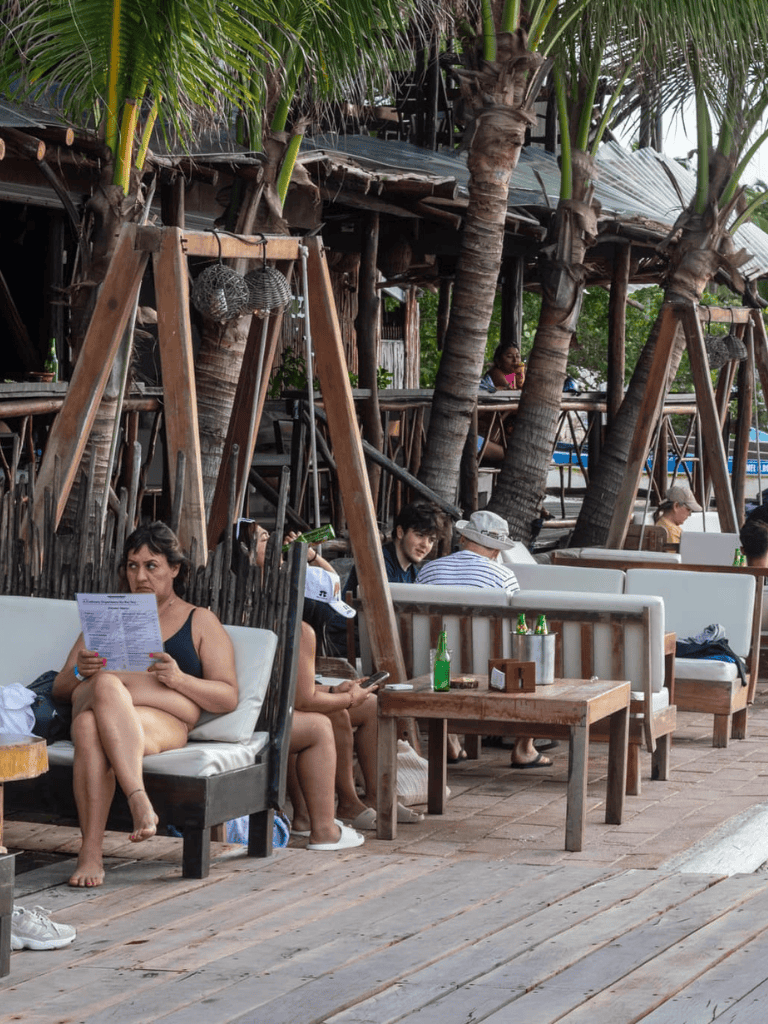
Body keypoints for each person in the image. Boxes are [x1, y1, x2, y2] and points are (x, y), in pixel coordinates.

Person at [53, 521, 241, 888]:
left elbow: (228, 696)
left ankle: (91, 852)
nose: (140, 575)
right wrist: (80, 669)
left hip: (164, 720)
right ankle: (137, 799)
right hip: (109, 709)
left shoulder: (199, 620)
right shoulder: (107, 616)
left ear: (175, 569)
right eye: (132, 565)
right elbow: (62, 688)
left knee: (92, 719)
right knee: (101, 693)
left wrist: (179, 679)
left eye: (151, 565)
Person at [416, 510, 550, 770]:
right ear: (496, 551)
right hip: (492, 675)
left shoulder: (428, 571)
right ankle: (523, 748)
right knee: (532, 651)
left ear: (463, 539)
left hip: (436, 673)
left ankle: (450, 740)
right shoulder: (503, 577)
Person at [653, 483, 702, 549]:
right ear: (676, 506)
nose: (689, 514)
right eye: (688, 509)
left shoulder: (662, 522)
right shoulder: (671, 532)